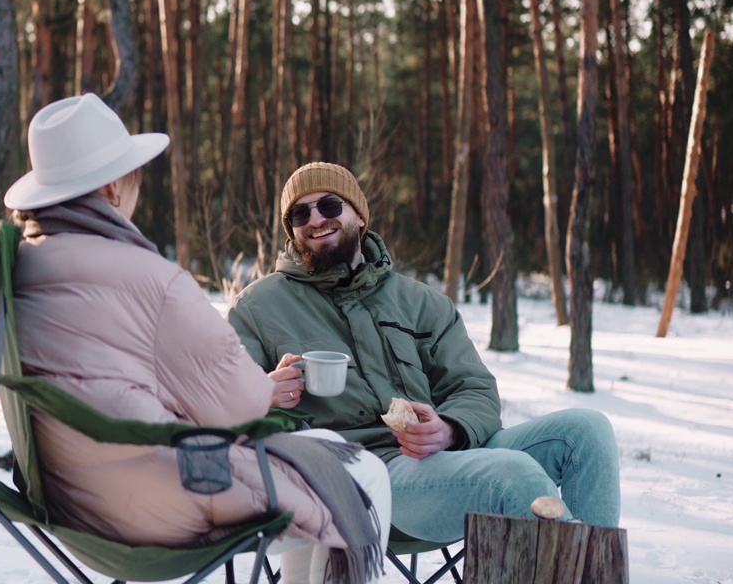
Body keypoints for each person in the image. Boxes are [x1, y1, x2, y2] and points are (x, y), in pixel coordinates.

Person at [2, 95, 390, 584]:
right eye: (134, 175)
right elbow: (237, 407)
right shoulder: (147, 277)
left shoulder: (27, 268)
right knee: (360, 474)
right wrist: (265, 388)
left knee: (322, 461)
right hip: (153, 502)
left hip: (72, 498)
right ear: (111, 189)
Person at [228, 161, 620, 545]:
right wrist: (260, 394)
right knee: (511, 474)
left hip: (450, 457)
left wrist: (449, 428)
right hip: (363, 475)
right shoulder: (258, 308)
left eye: (330, 205)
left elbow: (476, 389)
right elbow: (210, 410)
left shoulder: (420, 301)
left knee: (587, 431)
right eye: (299, 213)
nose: (315, 219)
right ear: (291, 231)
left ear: (359, 216)